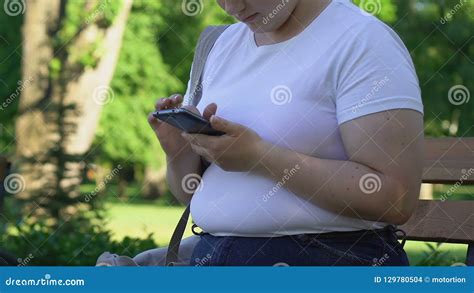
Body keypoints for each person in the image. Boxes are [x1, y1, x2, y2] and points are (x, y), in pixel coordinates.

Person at [147, 0, 424, 266]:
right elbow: (191, 194)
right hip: (212, 257)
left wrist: (260, 157)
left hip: (325, 259)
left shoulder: (363, 41)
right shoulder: (221, 45)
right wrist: (179, 152)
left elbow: (394, 199)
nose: (232, 7)